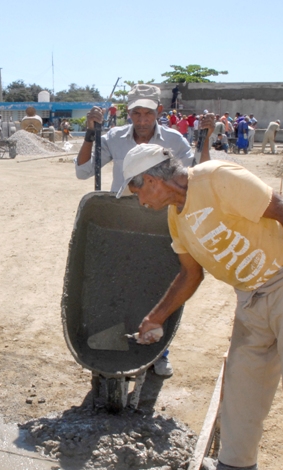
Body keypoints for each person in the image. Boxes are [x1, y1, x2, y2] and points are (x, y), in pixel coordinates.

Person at [118, 137, 283, 470]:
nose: (139, 200)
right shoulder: (176, 217)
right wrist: (156, 316)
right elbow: (190, 275)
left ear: (151, 180)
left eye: (136, 190)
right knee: (243, 382)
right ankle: (236, 464)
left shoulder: (215, 178)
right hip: (250, 295)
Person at [74, 84, 213, 377]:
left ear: (158, 112)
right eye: (136, 113)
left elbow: (198, 175)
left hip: (160, 224)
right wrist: (90, 131)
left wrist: (205, 139)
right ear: (129, 114)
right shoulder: (113, 138)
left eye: (147, 113)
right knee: (115, 283)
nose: (142, 119)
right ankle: (111, 341)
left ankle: (159, 352)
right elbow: (84, 170)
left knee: (159, 283)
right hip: (119, 222)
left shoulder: (174, 140)